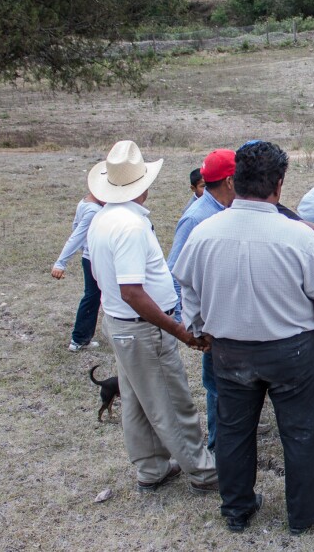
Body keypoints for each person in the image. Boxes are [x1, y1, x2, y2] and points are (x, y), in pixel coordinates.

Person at [172, 141, 314, 535]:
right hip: (291, 354)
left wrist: (197, 326)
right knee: (300, 432)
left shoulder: (205, 233)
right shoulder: (297, 237)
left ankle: (237, 509)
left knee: (233, 431)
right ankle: (303, 515)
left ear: (235, 181)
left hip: (229, 353)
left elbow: (187, 286)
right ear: (279, 184)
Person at [86, 140, 217, 494]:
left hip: (122, 325)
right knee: (171, 403)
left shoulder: (103, 218)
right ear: (141, 184)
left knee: (137, 400)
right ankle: (204, 472)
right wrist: (178, 330)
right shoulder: (129, 226)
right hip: (142, 328)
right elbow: (132, 291)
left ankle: (152, 467)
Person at [166, 149, 237, 452]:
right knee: (218, 388)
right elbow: (175, 274)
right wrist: (190, 327)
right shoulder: (196, 218)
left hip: (231, 313)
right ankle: (217, 448)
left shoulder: (228, 210)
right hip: (211, 320)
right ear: (232, 181)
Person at [51, 191, 103, 351]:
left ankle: (81, 338)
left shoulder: (84, 202)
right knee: (92, 297)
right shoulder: (93, 211)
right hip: (94, 259)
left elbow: (75, 226)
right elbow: (76, 235)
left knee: (93, 296)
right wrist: (60, 263)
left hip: (90, 257)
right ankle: (79, 339)